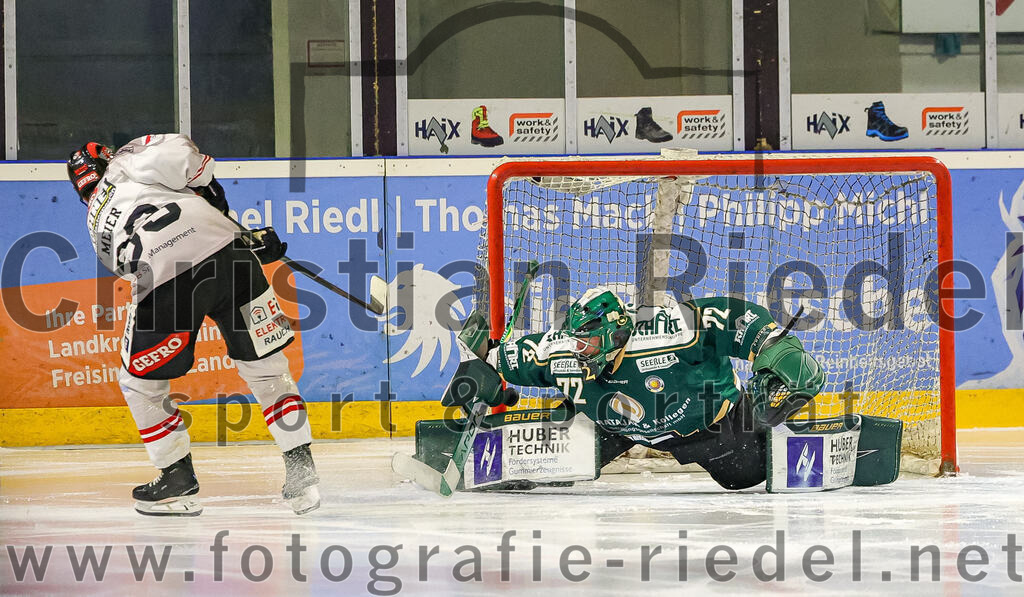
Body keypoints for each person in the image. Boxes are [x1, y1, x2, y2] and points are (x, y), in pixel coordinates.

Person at [66, 135, 320, 515]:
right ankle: (302, 473)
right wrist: (225, 215)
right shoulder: (128, 158)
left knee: (141, 382)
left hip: (167, 276)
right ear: (106, 159)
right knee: (267, 370)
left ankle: (176, 479)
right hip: (232, 256)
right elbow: (186, 158)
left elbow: (126, 263)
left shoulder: (95, 224)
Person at [463, 287, 824, 490]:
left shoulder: (671, 330)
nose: (580, 351)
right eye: (577, 342)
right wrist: (479, 366)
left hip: (711, 429)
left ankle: (805, 444)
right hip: (616, 428)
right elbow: (498, 354)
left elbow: (739, 320)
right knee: (552, 468)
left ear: (615, 334)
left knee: (745, 476)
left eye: (588, 343)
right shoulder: (564, 352)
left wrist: (780, 350)